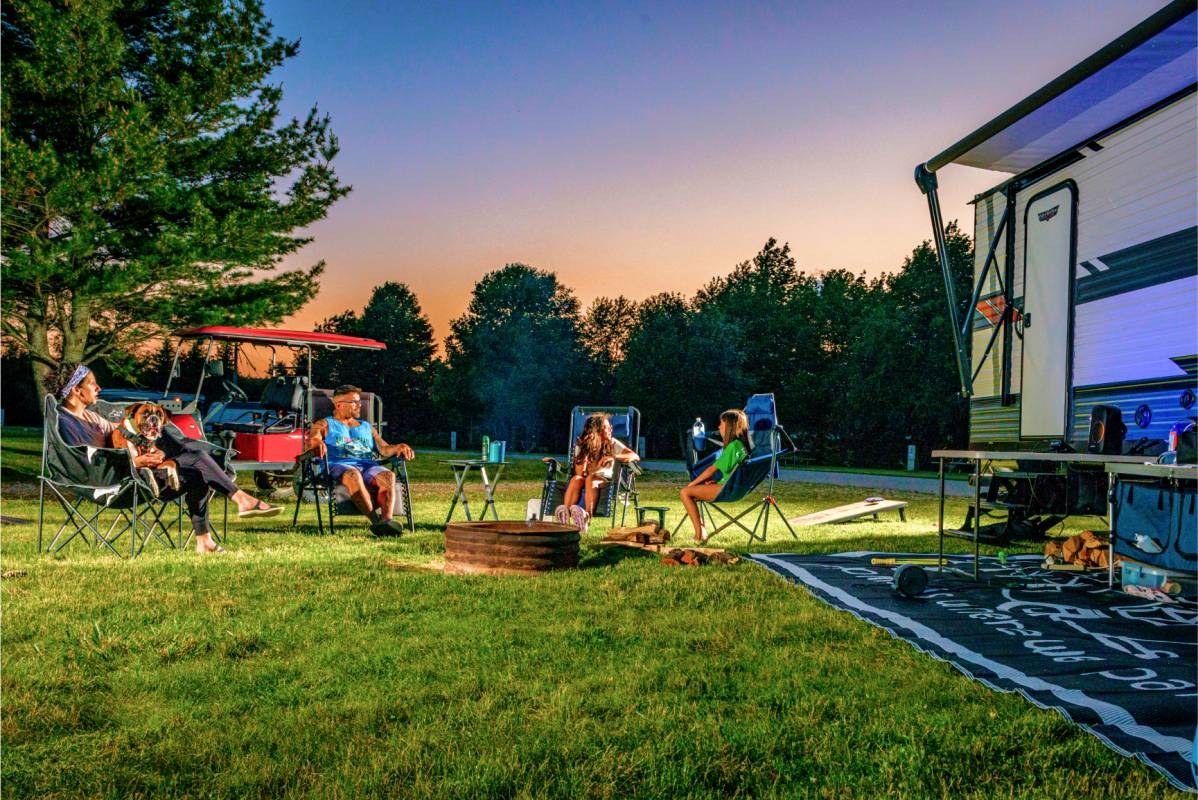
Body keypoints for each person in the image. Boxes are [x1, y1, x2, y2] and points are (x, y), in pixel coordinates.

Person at [46, 363, 281, 554]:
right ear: (77, 390)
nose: (98, 388)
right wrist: (136, 462)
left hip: (137, 473)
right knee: (198, 458)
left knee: (197, 472)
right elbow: (86, 462)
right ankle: (241, 498)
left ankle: (204, 542)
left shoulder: (92, 417)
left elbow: (122, 435)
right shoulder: (66, 422)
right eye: (92, 384)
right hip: (116, 483)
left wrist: (150, 448)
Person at [306, 384, 415, 536]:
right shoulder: (324, 424)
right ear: (338, 405)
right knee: (353, 474)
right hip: (338, 465)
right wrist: (316, 442)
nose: (359, 405)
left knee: (388, 476)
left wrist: (399, 447)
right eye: (354, 402)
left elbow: (384, 449)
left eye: (359, 402)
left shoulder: (367, 426)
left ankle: (387, 521)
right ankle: (376, 521)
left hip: (368, 466)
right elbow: (314, 438)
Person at [554, 413, 639, 531]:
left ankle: (587, 517)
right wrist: (585, 455)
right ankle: (565, 516)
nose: (610, 429)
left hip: (605, 481)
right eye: (606, 427)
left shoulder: (612, 443)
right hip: (585, 478)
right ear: (596, 430)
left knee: (591, 478)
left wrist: (614, 456)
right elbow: (579, 473)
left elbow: (634, 456)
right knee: (575, 479)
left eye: (610, 427)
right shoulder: (582, 445)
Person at [680, 408, 750, 543]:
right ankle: (700, 532)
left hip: (727, 489)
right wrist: (716, 483)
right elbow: (729, 472)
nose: (718, 427)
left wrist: (692, 483)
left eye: (721, 424)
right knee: (692, 491)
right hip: (735, 488)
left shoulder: (732, 447)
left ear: (729, 426)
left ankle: (699, 534)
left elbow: (711, 469)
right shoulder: (741, 445)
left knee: (685, 492)